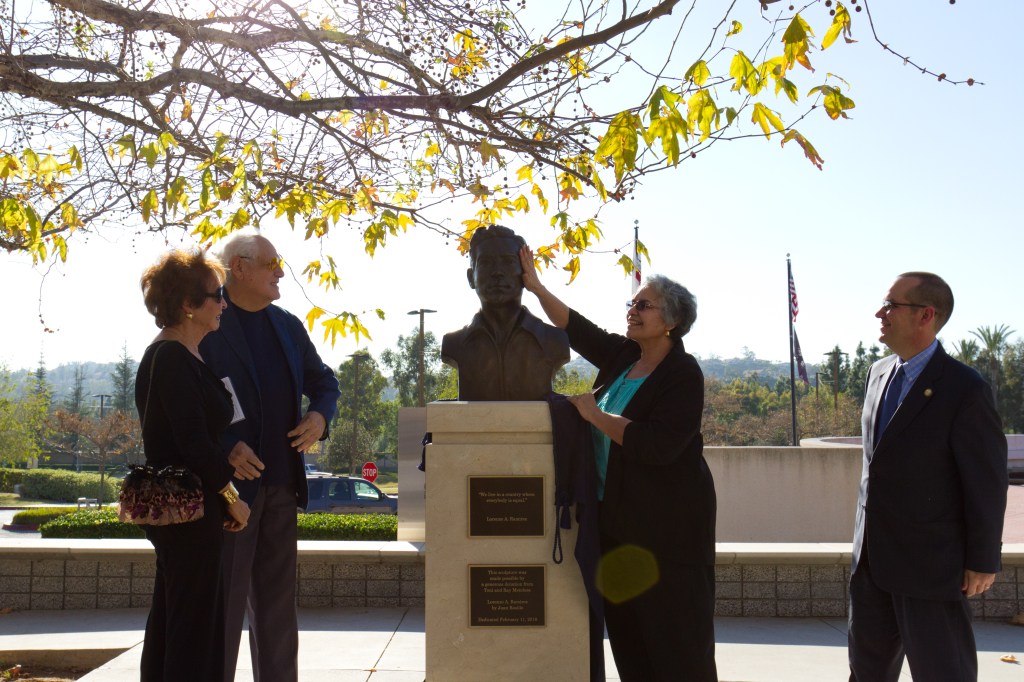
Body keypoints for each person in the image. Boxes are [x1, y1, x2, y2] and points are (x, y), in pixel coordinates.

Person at [519, 246, 718, 681]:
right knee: (631, 646)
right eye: (632, 303)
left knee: (678, 651)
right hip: (618, 531)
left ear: (671, 322)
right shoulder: (625, 357)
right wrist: (535, 287)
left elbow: (658, 446)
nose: (632, 310)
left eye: (643, 305)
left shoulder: (683, 374)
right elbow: (577, 328)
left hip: (669, 541)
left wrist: (594, 415)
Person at [848, 272, 1008, 682]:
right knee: (866, 674)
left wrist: (982, 558)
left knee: (943, 673)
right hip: (871, 563)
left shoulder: (964, 388)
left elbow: (986, 481)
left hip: (931, 568)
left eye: (891, 305)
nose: (879, 313)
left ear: (926, 315)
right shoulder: (878, 373)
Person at [199, 234, 341, 682]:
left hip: (282, 486)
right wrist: (224, 448)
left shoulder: (288, 326)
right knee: (222, 612)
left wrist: (320, 416)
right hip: (229, 494)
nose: (281, 272)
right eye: (272, 263)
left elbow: (325, 382)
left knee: (278, 615)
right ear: (239, 268)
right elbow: (184, 406)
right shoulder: (205, 322)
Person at [136, 249, 251, 682]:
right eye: (216, 295)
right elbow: (191, 443)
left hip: (189, 509)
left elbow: (198, 438)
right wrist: (230, 497)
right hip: (188, 511)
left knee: (177, 620)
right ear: (188, 304)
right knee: (192, 628)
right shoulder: (170, 357)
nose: (223, 303)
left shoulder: (186, 353)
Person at [442, 224, 569, 400]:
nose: (497, 272)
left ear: (526, 274)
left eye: (508, 262)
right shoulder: (454, 343)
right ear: (471, 278)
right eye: (486, 263)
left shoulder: (553, 340)